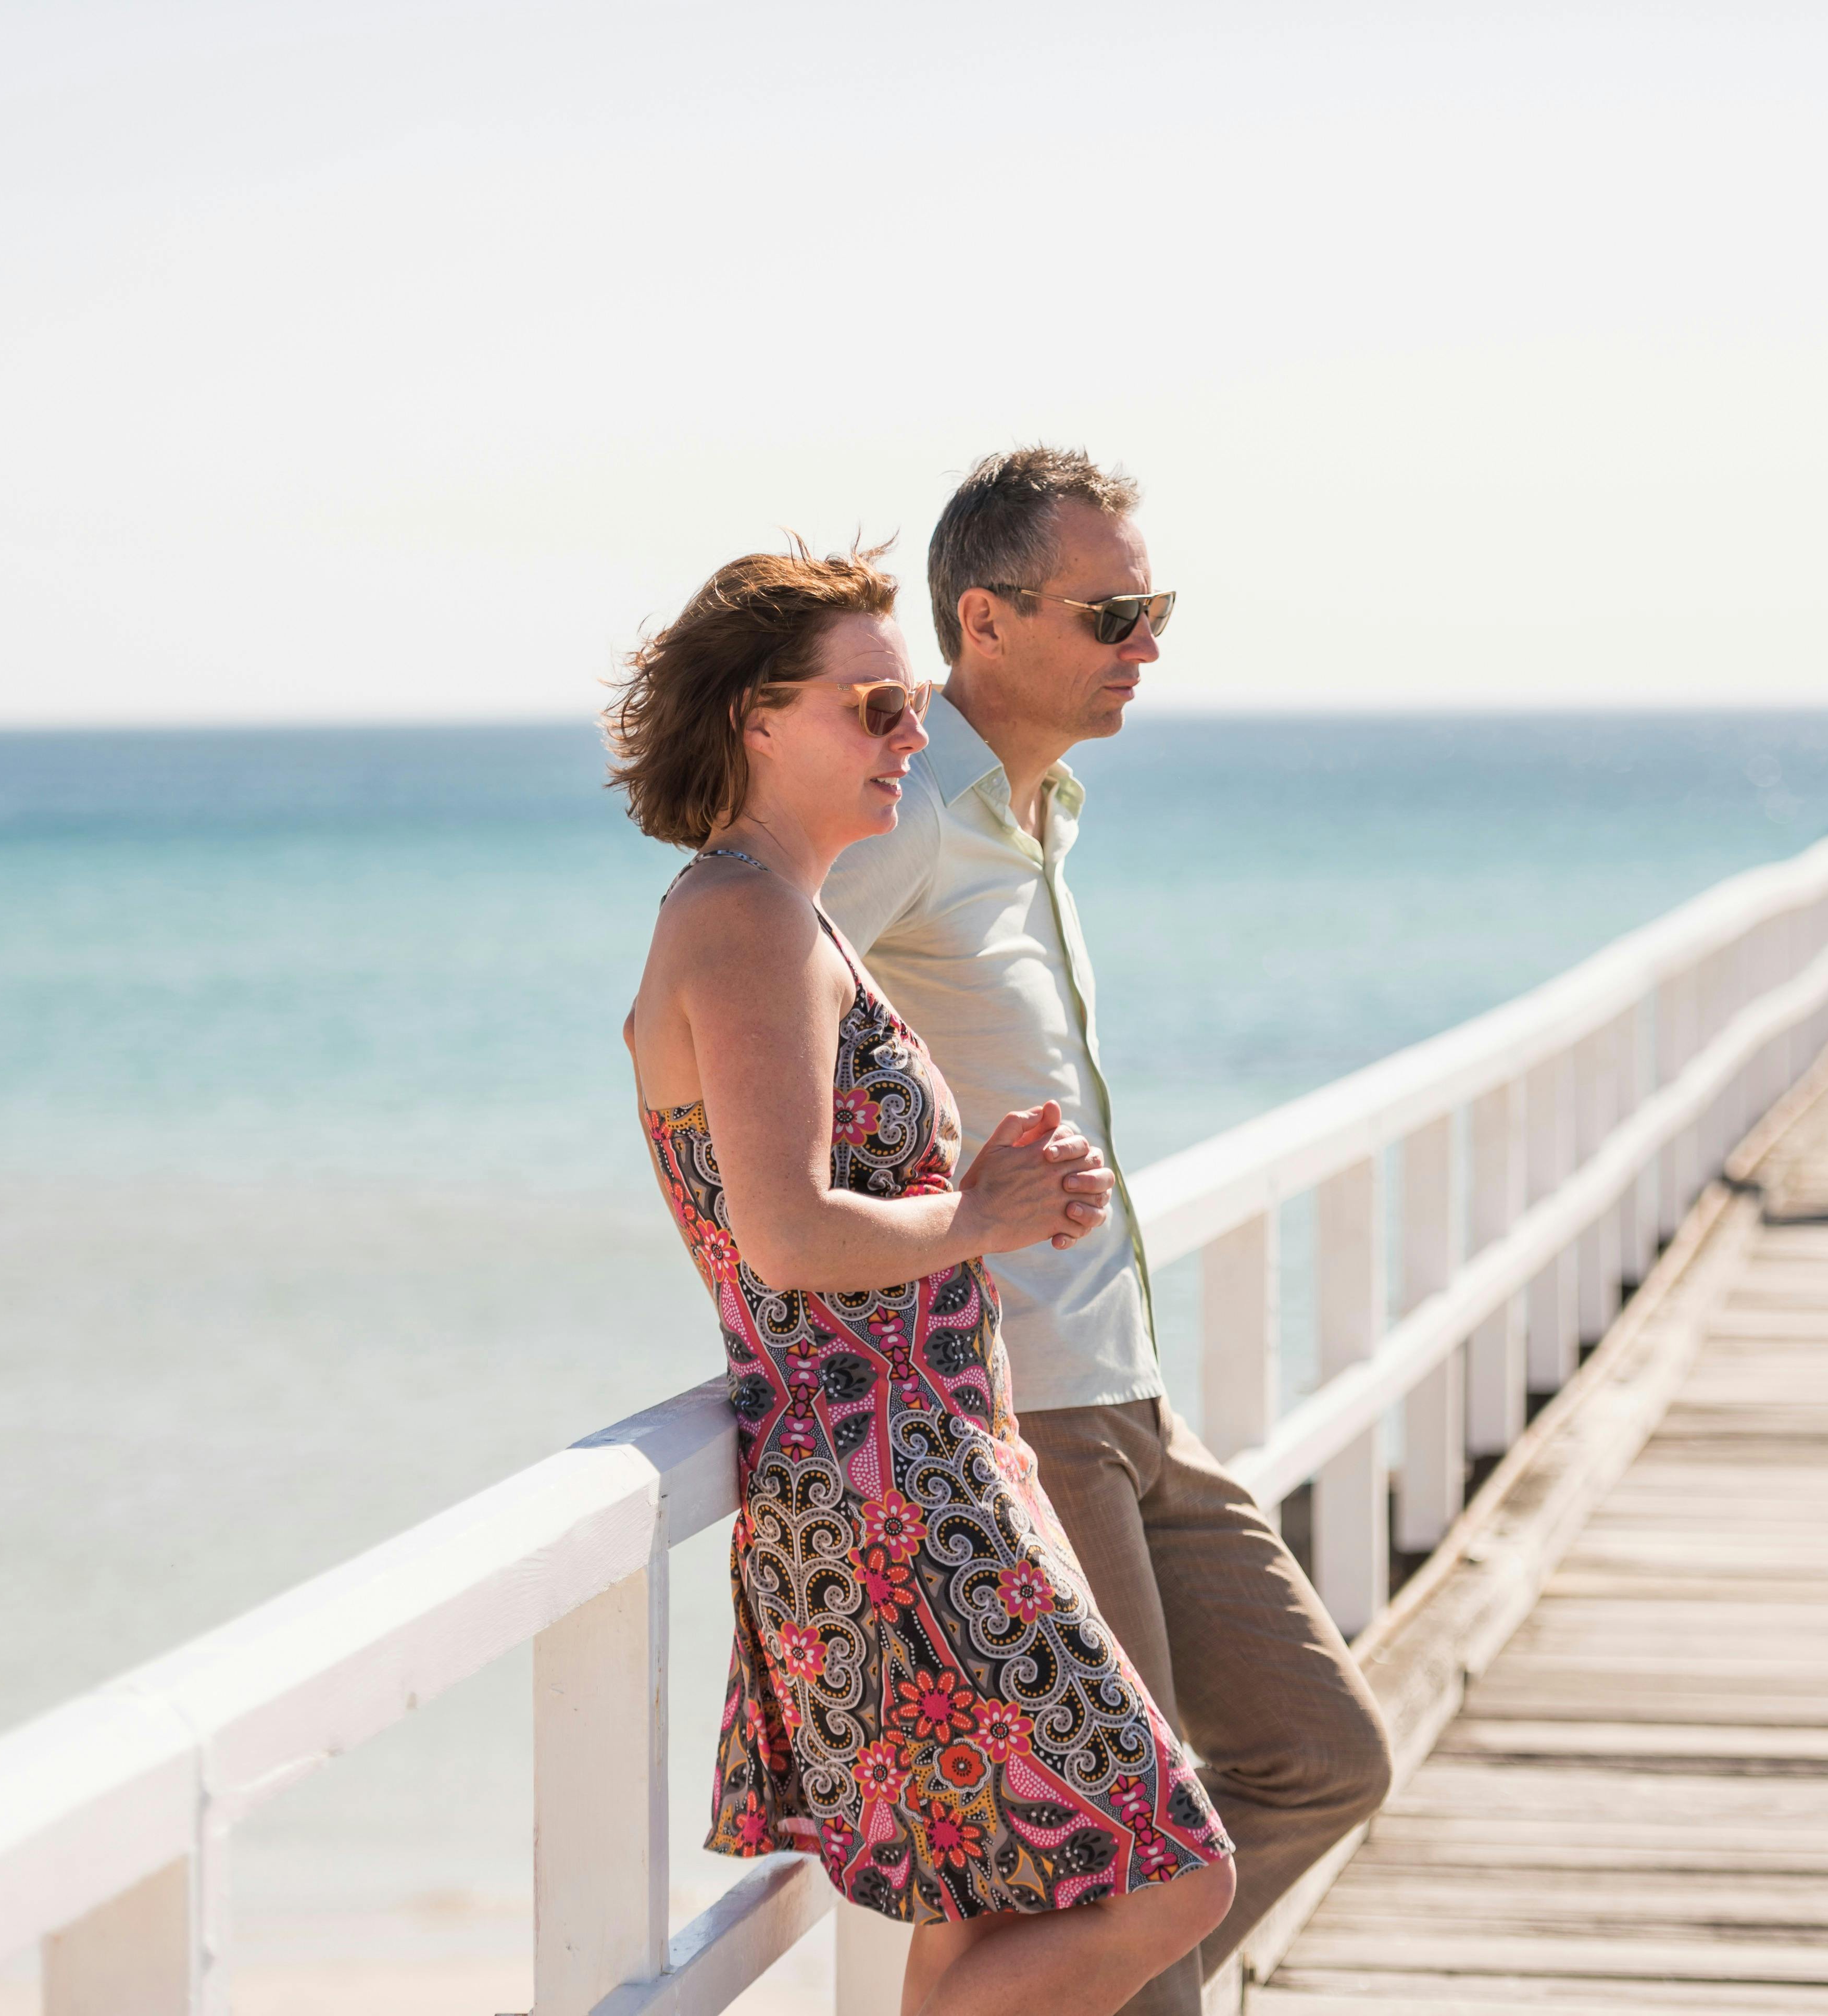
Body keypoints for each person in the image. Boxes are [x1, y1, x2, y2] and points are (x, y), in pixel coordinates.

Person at [609, 542, 1235, 2016]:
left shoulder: (790, 910)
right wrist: (986, 1210)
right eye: (876, 705)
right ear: (757, 720)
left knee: (976, 1908)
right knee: (1175, 1869)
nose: (911, 736)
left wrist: (981, 1216)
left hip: (922, 1467)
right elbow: (787, 1234)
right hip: (893, 1496)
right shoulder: (743, 914)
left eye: (906, 708)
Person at [821, 449, 1393, 2016]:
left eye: (1156, 611)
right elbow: (738, 1032)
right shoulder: (912, 807)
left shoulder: (1036, 810)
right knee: (1137, 1880)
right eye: (1114, 613)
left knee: (1321, 1757)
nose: (1146, 645)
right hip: (1027, 1411)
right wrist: (928, 1237)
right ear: (983, 621)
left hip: (1127, 1389)